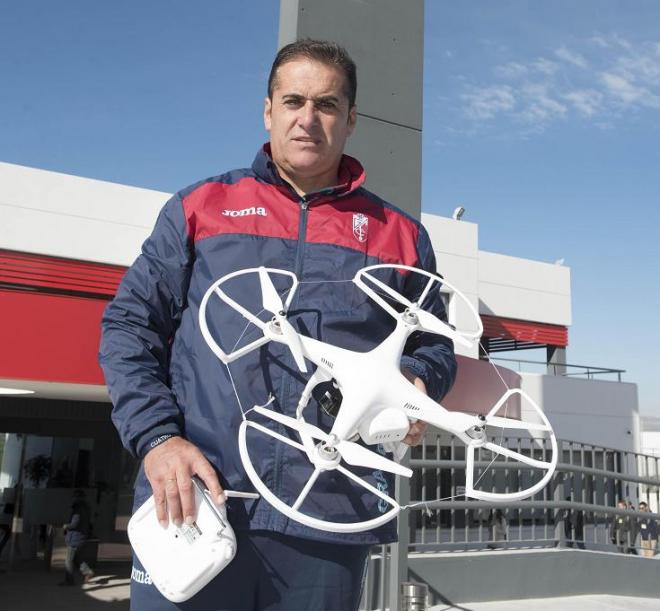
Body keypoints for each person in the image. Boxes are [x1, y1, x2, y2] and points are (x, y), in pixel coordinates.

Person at [99, 39, 457, 611]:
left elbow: (433, 344)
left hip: (327, 513)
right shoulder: (200, 207)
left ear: (352, 119)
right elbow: (128, 328)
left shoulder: (401, 235)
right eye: (293, 101)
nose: (308, 119)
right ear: (268, 110)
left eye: (327, 104)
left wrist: (414, 383)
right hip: (196, 504)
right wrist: (158, 439)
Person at [60, 489, 94, 586]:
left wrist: (66, 526)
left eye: (74, 497)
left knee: (68, 561)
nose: (73, 498)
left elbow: (74, 524)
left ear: (77, 498)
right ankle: (87, 571)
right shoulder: (86, 508)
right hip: (82, 537)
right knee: (76, 558)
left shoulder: (78, 509)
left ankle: (69, 581)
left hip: (75, 538)